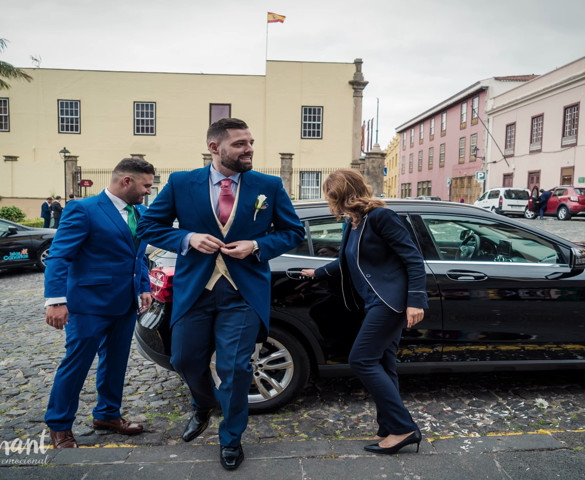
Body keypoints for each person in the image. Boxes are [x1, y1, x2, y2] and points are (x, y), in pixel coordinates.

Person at [137, 118, 304, 471]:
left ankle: (231, 438)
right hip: (195, 290)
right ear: (215, 147)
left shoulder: (268, 186)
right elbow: (149, 226)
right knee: (183, 359)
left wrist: (258, 244)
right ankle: (203, 404)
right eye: (240, 144)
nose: (249, 149)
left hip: (242, 294)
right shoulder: (182, 183)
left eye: (251, 142)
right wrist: (187, 239)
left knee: (235, 368)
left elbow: (292, 231)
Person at [300, 169, 427, 455]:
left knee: (362, 359)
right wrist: (317, 272)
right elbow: (345, 262)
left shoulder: (381, 217)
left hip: (390, 302)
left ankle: (404, 427)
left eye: (333, 196)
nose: (331, 202)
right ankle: (390, 427)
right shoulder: (353, 223)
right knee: (383, 363)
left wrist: (416, 301)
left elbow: (413, 259)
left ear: (346, 193)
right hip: (371, 302)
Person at [43, 158, 155, 449]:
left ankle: (107, 415)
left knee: (115, 363)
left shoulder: (139, 212)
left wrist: (143, 286)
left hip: (125, 303)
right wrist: (56, 300)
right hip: (88, 305)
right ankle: (59, 425)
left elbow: (138, 256)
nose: (148, 192)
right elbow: (59, 255)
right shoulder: (83, 209)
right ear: (125, 181)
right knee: (76, 365)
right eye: (145, 186)